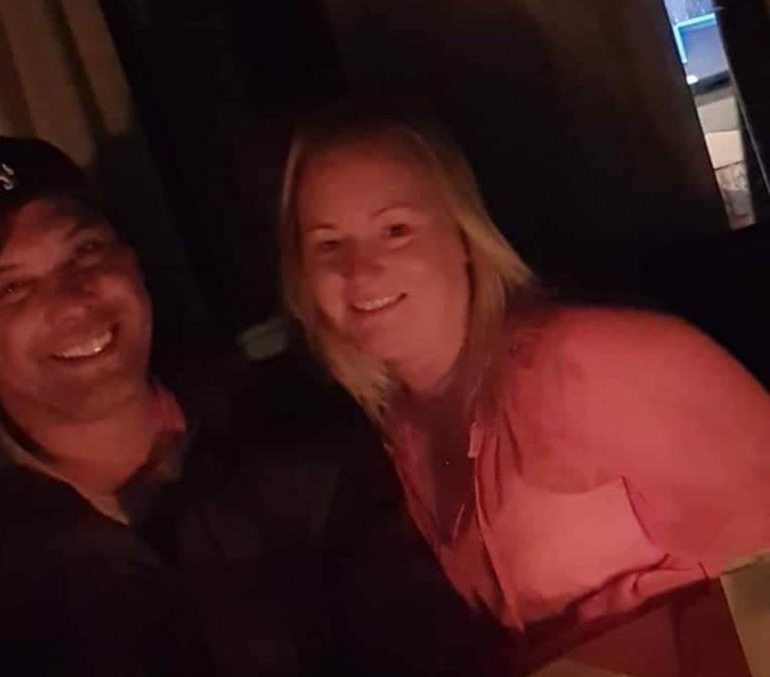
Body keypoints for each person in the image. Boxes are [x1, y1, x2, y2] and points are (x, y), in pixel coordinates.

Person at [0, 136, 502, 677]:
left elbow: (435, 672)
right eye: (14, 290)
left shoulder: (288, 424)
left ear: (131, 260)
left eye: (86, 253)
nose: (74, 300)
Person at [278, 108, 770, 637]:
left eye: (395, 230)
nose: (359, 270)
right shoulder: (406, 427)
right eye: (328, 244)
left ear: (463, 237)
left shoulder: (587, 365)